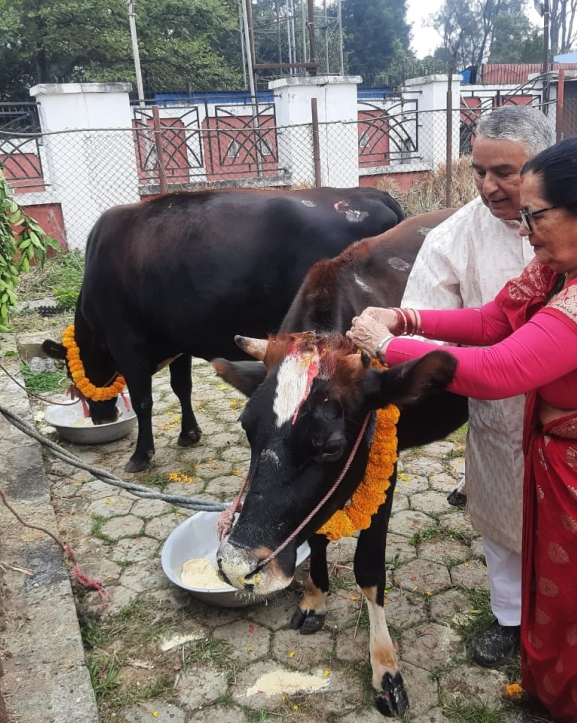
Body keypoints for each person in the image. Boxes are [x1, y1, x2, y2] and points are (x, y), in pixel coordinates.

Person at [347, 135, 577, 723]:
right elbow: (493, 319)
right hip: (553, 461)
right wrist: (405, 315)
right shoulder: (552, 269)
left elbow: (503, 368)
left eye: (536, 216)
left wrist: (390, 345)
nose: (524, 231)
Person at [400, 104, 553, 669]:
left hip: (567, 413)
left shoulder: (570, 226)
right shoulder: (454, 236)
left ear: (544, 166)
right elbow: (442, 322)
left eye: (505, 173)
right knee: (502, 517)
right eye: (478, 172)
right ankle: (510, 618)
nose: (489, 187)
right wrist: (396, 336)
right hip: (501, 410)